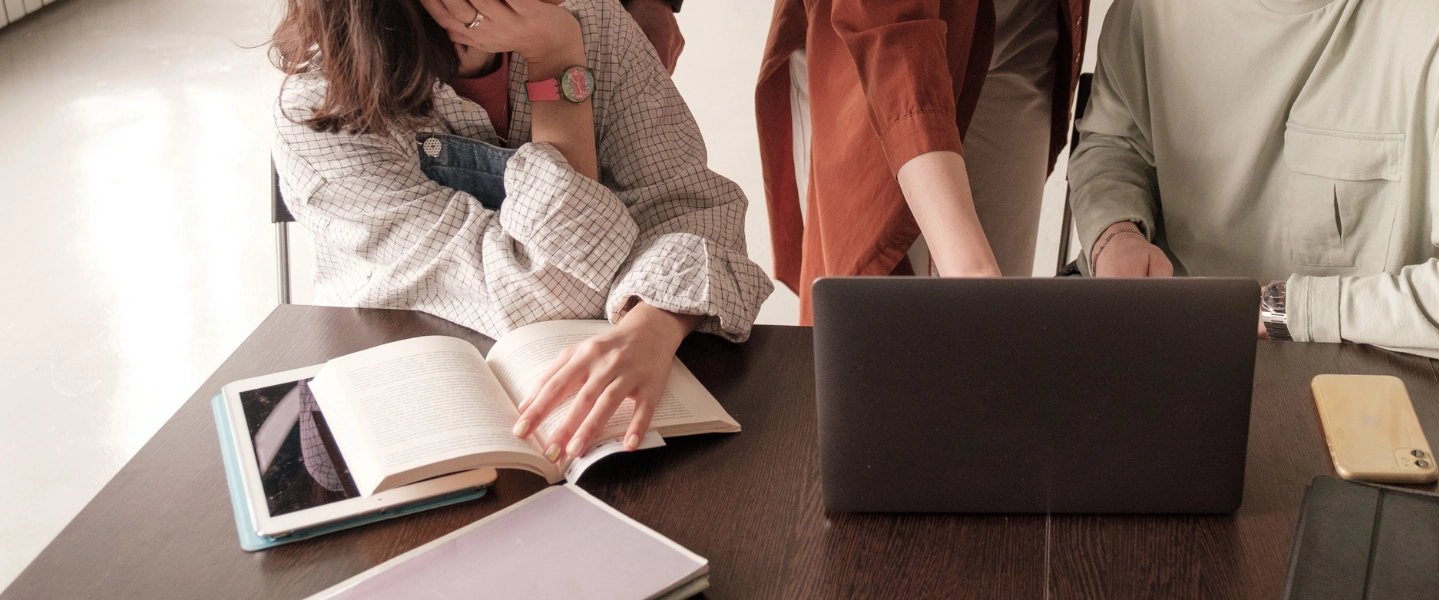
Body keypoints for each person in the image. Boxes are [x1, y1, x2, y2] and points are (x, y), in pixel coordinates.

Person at [268, 0, 771, 461]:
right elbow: (552, 292)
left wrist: (655, 325)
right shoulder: (321, 107)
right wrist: (554, 61)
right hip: (413, 411)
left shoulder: (592, 22)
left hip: (600, 404)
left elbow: (698, 211)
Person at [1070, 0, 1439, 369]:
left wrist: (1279, 309)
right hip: (1161, 351)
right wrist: (1114, 233)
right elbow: (1116, 143)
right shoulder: (1148, 10)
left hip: (1365, 382)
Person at [754, 0, 1090, 322]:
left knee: (996, 313)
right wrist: (968, 265)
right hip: (867, 41)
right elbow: (889, 28)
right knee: (871, 311)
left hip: (1025, 27)